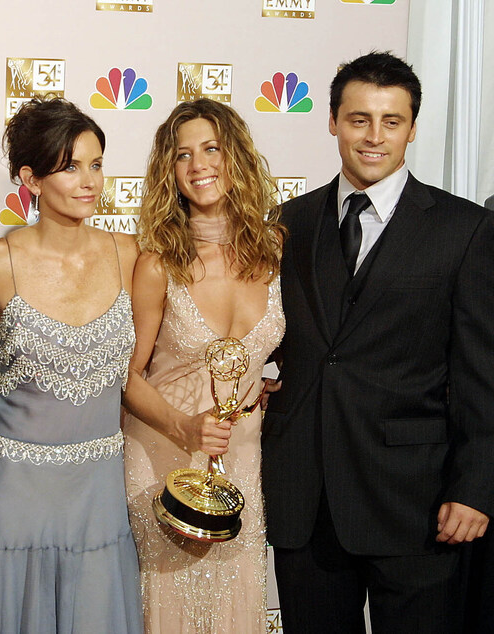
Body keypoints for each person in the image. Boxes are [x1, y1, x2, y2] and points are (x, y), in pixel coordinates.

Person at [262, 51, 494, 633]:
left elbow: (488, 376)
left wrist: (476, 489)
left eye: (391, 121)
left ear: (412, 129)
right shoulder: (286, 224)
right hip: (307, 500)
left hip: (416, 503)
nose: (374, 137)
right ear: (331, 121)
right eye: (359, 119)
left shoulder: (465, 229)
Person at [0, 97, 142, 633]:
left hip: (99, 490)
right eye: (69, 166)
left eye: (95, 163)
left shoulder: (130, 254)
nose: (88, 181)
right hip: (15, 492)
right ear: (31, 178)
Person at [122, 99, 284, 633]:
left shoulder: (276, 248)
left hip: (243, 458)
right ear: (169, 172)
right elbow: (129, 375)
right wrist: (185, 426)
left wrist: (270, 381)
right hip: (164, 456)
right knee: (171, 612)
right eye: (183, 155)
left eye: (211, 148)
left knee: (236, 605)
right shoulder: (158, 262)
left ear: (235, 156)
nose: (199, 165)